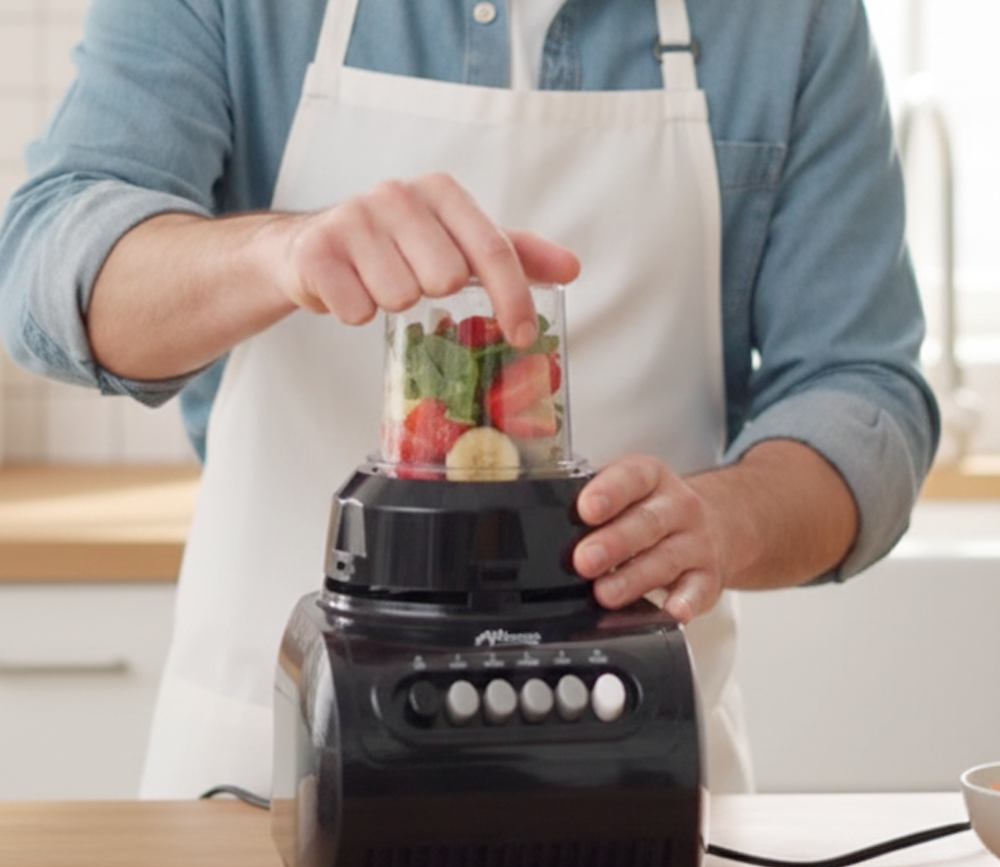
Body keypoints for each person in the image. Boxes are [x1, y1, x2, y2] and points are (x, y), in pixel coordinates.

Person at [0, 0, 937, 797]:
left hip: (631, 771)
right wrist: (278, 254)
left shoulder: (792, 20)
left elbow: (863, 388)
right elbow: (47, 261)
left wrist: (728, 520)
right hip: (263, 769)